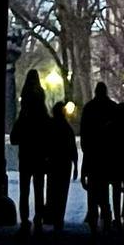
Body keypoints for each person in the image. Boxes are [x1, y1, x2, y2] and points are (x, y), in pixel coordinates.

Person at [9, 70, 51, 235]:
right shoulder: (42, 115)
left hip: (26, 155)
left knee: (24, 189)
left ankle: (25, 219)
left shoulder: (24, 114)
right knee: (39, 188)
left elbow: (14, 138)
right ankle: (38, 217)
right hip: (40, 155)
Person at [79, 82, 117, 234]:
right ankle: (106, 219)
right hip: (107, 155)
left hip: (93, 155)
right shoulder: (112, 108)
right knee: (105, 192)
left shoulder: (89, 108)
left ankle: (94, 221)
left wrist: (86, 152)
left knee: (93, 192)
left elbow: (84, 133)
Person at [45, 98, 78, 232]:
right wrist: (75, 165)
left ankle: (51, 216)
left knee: (52, 190)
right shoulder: (66, 128)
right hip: (64, 164)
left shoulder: (50, 126)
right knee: (62, 192)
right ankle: (59, 217)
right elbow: (72, 148)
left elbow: (45, 144)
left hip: (53, 162)